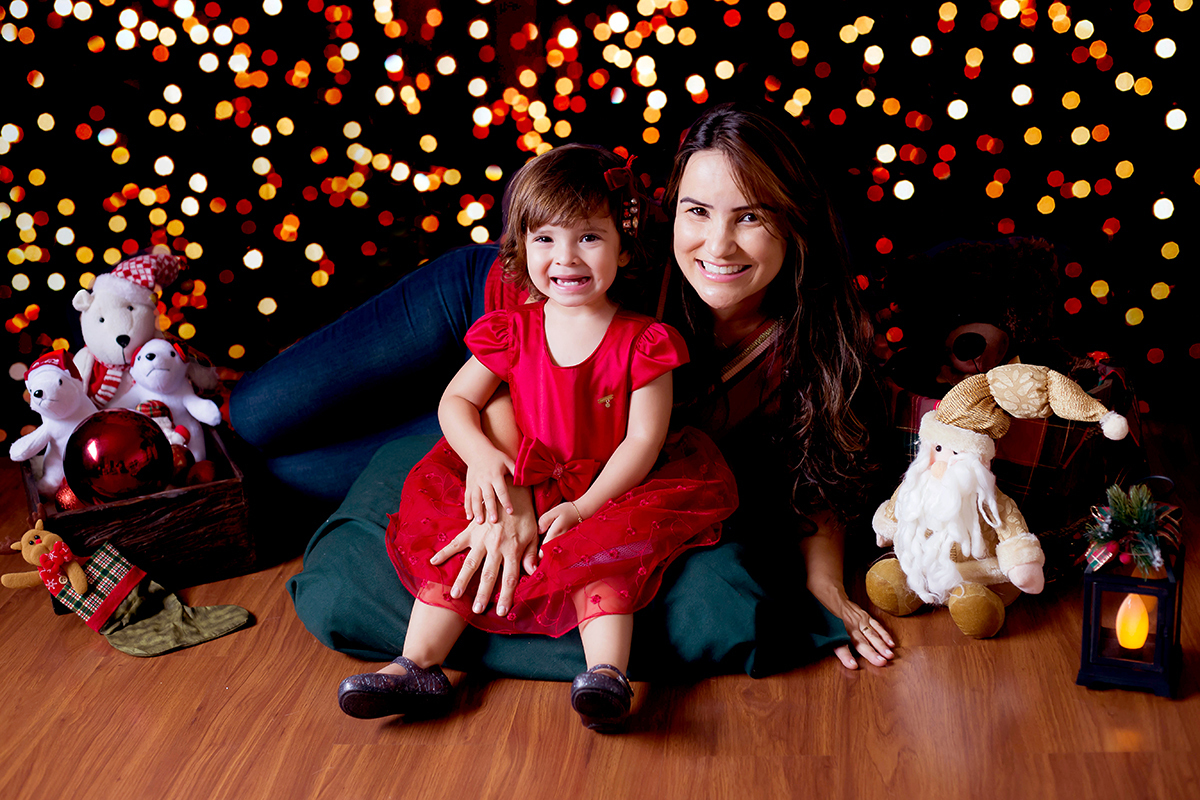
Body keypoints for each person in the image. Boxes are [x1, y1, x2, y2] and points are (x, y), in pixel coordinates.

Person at [230, 102, 894, 680]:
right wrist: (511, 494)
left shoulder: (820, 336)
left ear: (797, 220)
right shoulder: (617, 257)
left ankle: (205, 484)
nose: (716, 243)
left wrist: (823, 583)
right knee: (255, 416)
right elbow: (517, 359)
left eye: (751, 217)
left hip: (561, 422)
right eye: (697, 211)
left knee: (281, 478)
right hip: (482, 314)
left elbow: (817, 468)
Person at [334, 144, 736, 729]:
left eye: (589, 238)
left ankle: (605, 676)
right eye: (545, 239)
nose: (565, 258)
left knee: (603, 562)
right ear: (521, 247)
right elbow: (456, 400)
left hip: (606, 486)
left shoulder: (645, 341)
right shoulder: (511, 329)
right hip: (522, 471)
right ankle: (415, 665)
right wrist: (482, 457)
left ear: (623, 247)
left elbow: (642, 444)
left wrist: (585, 506)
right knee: (462, 547)